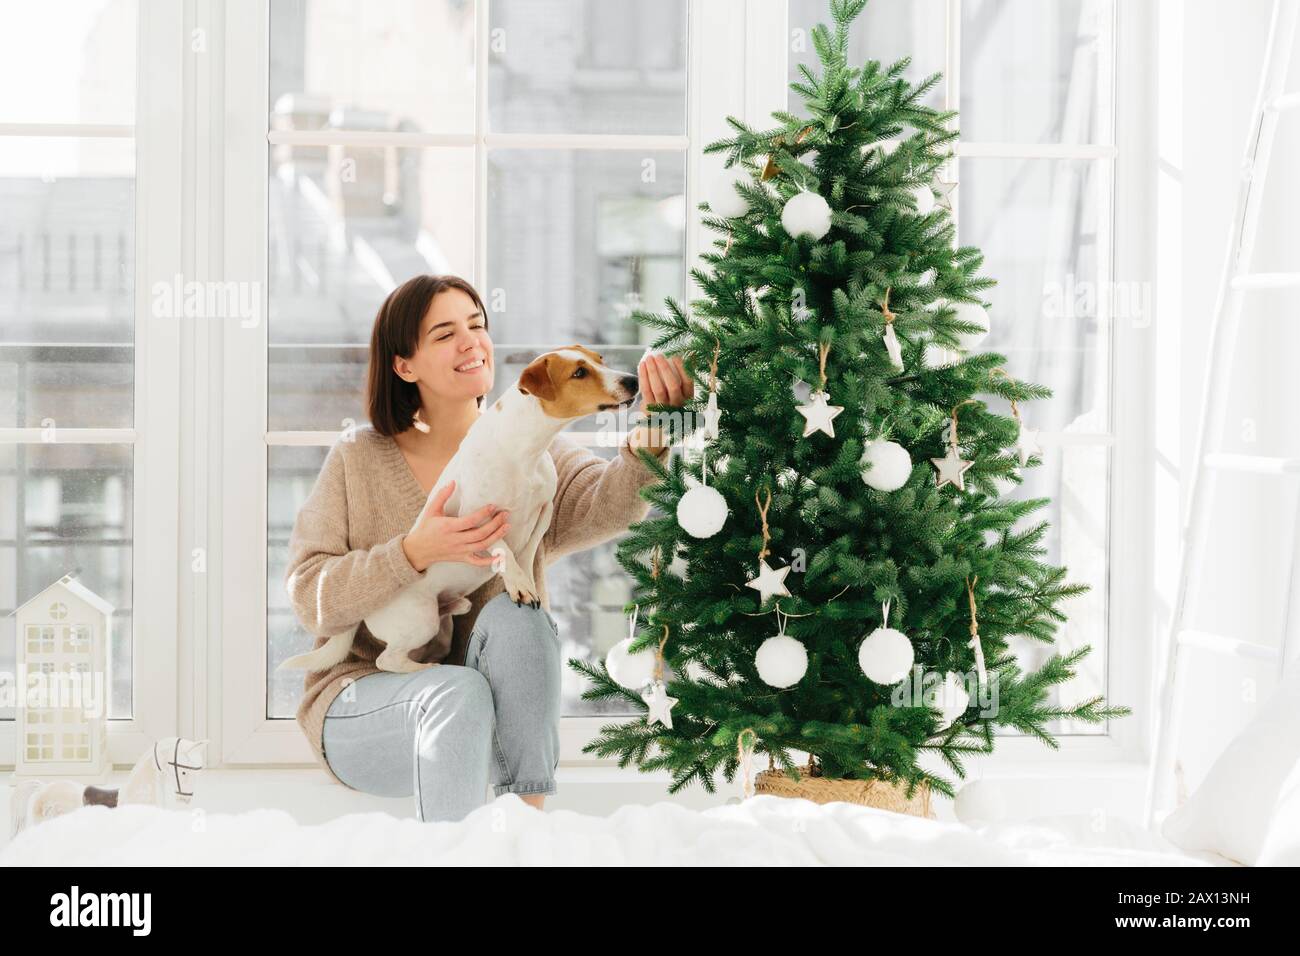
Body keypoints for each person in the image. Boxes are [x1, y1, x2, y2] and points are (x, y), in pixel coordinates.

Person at [283, 274, 692, 823]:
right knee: (459, 691)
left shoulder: (540, 457)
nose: (471, 341)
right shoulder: (358, 459)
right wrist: (410, 553)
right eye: (446, 333)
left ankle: (524, 830)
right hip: (364, 704)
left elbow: (610, 505)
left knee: (521, 624)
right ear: (405, 365)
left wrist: (655, 433)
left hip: (486, 710)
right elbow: (310, 594)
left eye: (477, 325)